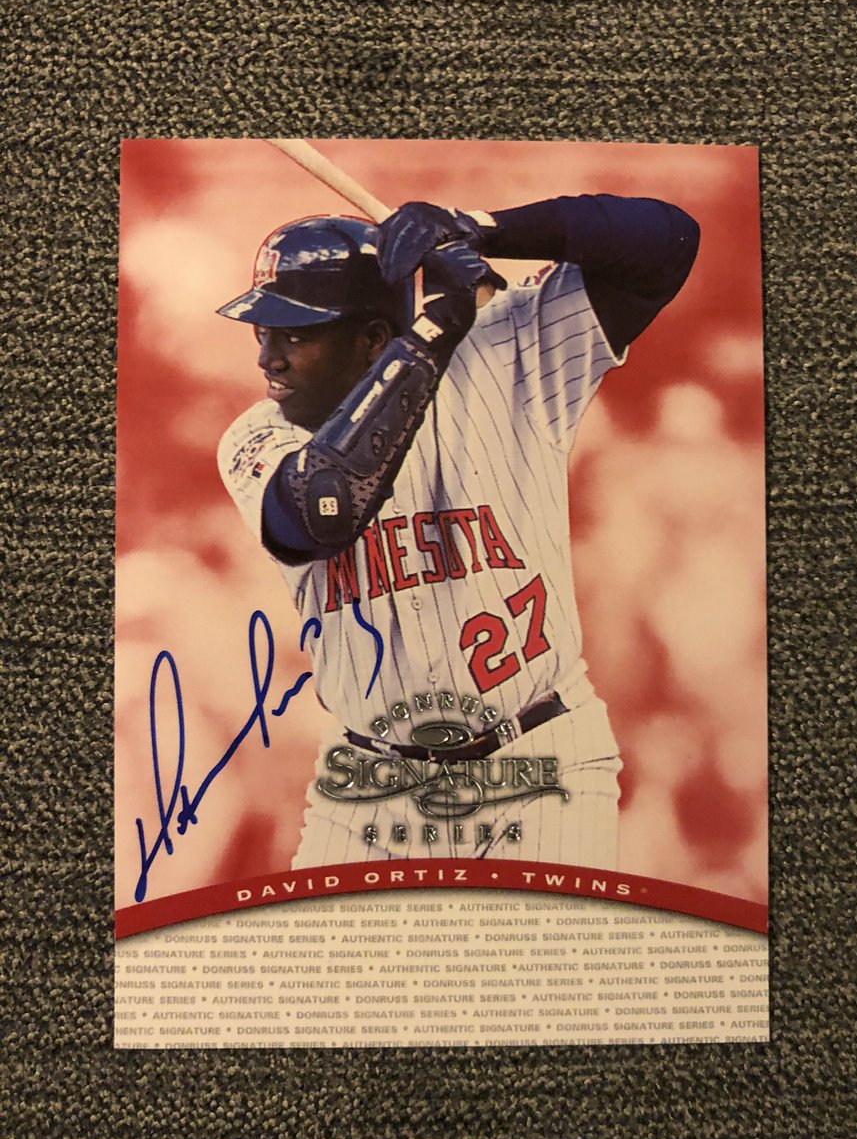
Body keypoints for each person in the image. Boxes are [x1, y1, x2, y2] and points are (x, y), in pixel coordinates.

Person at [216, 192, 699, 870]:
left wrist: (483, 229)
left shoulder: (507, 354)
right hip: (372, 779)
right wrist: (433, 330)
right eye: (263, 333)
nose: (268, 359)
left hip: (537, 758)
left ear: (373, 339)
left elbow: (668, 241)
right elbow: (321, 512)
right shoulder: (257, 437)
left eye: (296, 334)